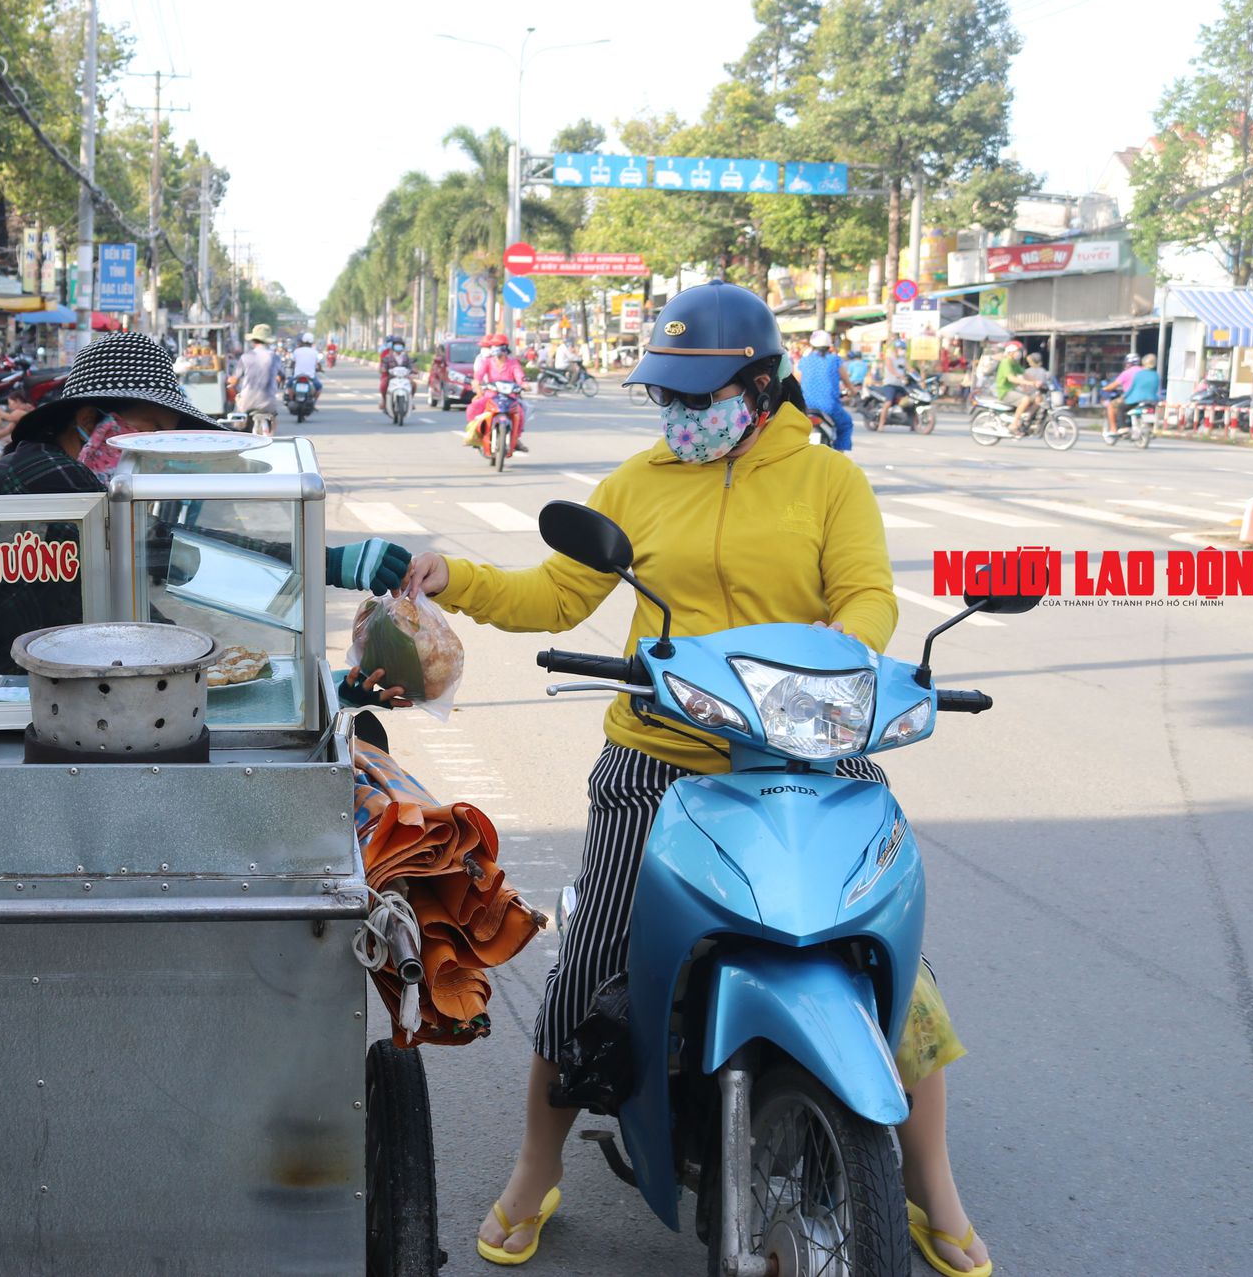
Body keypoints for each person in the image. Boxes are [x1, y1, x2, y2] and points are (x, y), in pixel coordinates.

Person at [402, 279, 989, 1275]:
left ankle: (930, 1185)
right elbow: (554, 596)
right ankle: (534, 1166)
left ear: (759, 387)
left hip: (807, 752)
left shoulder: (826, 483)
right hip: (660, 759)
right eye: (664, 396)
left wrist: (837, 665)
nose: (678, 414)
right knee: (590, 962)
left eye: (695, 396)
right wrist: (451, 577)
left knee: (898, 975)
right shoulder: (636, 483)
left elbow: (862, 596)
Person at [0, 333, 413, 764]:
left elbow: (139, 624)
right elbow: (172, 559)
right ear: (102, 421)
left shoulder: (64, 488)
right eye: (156, 434)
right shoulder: (50, 485)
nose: (158, 453)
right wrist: (322, 562)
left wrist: (300, 687)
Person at [466, 337, 528, 453]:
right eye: (493, 346)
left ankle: (516, 438)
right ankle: (475, 433)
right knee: (472, 408)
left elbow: (520, 376)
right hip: (491, 396)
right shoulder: (487, 362)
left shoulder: (513, 363)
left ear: (505, 348)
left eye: (497, 345)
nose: (495, 349)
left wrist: (524, 384)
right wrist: (477, 383)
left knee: (520, 413)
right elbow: (478, 376)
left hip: (510, 397)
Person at [799, 328, 856, 451]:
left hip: (805, 407)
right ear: (829, 344)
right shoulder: (835, 360)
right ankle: (840, 453)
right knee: (846, 424)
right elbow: (846, 381)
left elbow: (796, 381)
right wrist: (853, 392)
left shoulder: (803, 361)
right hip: (830, 407)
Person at [231, 323, 283, 435]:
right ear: (268, 341)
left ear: (253, 341)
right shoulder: (274, 357)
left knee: (238, 425)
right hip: (269, 401)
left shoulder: (246, 357)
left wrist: (230, 383)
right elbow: (281, 376)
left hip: (248, 401)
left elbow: (234, 380)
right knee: (273, 417)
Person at [1105, 352, 1160, 437]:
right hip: (1152, 400)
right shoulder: (1156, 375)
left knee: (1120, 408)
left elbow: (1132, 388)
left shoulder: (1137, 374)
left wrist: (1125, 396)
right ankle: (1149, 428)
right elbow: (1156, 389)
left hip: (1135, 399)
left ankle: (1122, 428)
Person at [873, 335, 913, 431]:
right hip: (889, 384)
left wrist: (918, 377)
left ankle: (913, 424)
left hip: (900, 385)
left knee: (911, 401)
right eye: (901, 348)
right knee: (888, 403)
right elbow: (891, 369)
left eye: (903, 349)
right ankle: (881, 425)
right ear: (896, 349)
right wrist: (899, 376)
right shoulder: (889, 358)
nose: (902, 350)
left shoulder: (903, 360)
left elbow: (910, 369)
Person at [1010, 352, 1050, 435]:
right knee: (1036, 399)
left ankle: (1027, 416)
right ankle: (1019, 420)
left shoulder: (1028, 371)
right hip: (1027, 394)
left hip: (1030, 392)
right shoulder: (1043, 372)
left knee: (1038, 399)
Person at [379, 337, 413, 411]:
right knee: (383, 385)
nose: (398, 346)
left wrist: (413, 369)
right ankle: (385, 401)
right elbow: (384, 365)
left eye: (400, 345)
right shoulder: (388, 356)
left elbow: (410, 365)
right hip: (391, 377)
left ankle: (410, 400)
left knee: (414, 384)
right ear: (393, 346)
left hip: (404, 377)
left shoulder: (406, 356)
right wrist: (383, 368)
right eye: (396, 345)